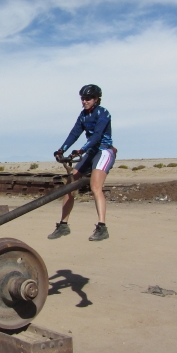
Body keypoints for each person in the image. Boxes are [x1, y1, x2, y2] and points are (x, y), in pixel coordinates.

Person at [49, 84, 116, 242]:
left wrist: (81, 150)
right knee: (70, 185)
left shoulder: (103, 113)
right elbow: (74, 133)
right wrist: (62, 149)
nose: (84, 101)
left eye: (88, 99)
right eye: (83, 98)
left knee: (95, 187)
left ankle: (102, 227)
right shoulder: (83, 115)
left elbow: (97, 136)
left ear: (96, 99)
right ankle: (63, 225)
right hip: (91, 152)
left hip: (104, 151)